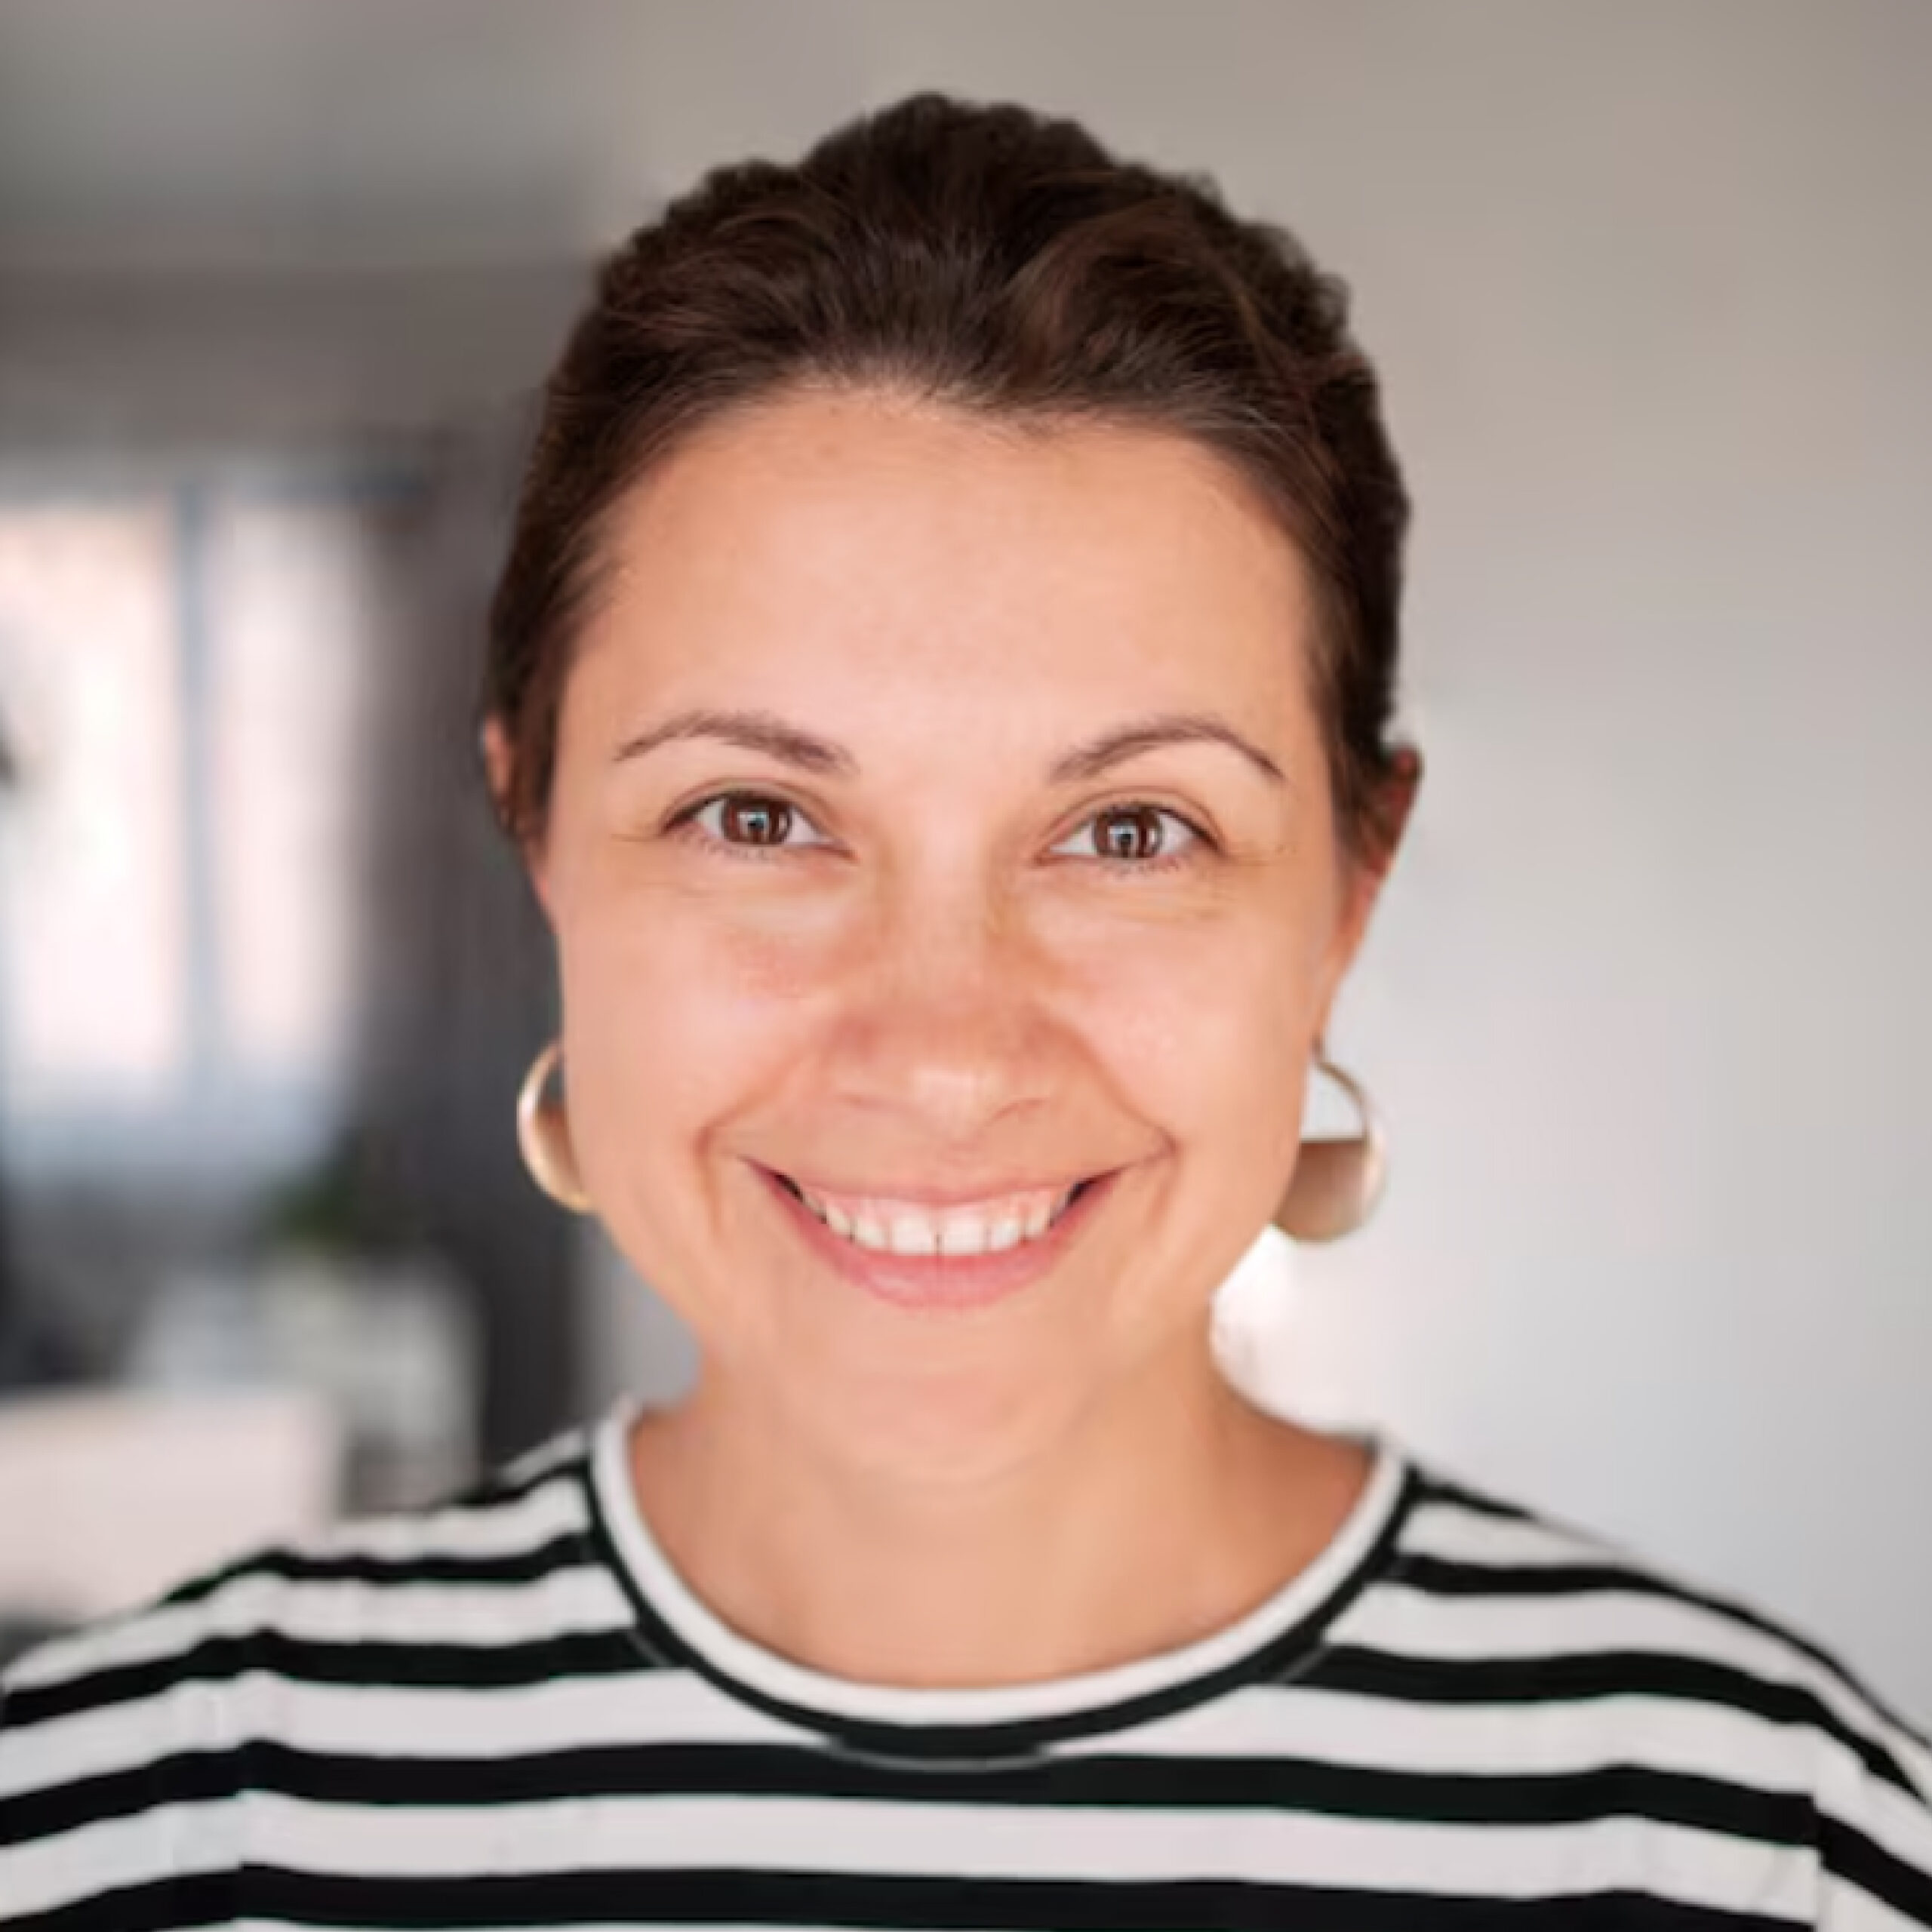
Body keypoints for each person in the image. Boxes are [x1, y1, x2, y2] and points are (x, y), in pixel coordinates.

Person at [3, 92, 1929, 1931]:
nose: (940, 1053)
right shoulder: (120, 1831)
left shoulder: (1763, 1856)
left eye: (1129, 830)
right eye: (755, 816)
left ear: (1349, 887)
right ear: (537, 836)